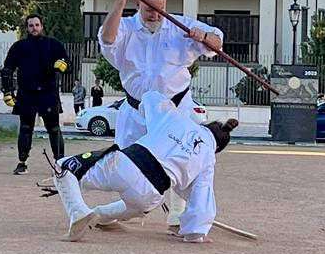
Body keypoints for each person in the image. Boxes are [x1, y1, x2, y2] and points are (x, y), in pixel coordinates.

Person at [98, 0, 223, 228]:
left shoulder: (180, 26)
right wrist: (119, 0)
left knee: (183, 160)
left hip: (176, 108)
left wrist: (204, 36)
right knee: (128, 163)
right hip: (136, 110)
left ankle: (179, 215)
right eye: (149, 9)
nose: (155, 14)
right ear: (138, 3)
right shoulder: (126, 27)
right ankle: (121, 212)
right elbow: (108, 40)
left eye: (159, 9)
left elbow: (217, 43)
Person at [52, 89, 238, 243]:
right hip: (150, 195)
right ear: (217, 148)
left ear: (207, 124)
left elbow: (152, 97)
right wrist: (194, 233)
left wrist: (150, 105)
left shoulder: (178, 119)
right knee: (134, 208)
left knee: (63, 168)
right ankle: (99, 216)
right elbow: (201, 198)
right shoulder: (208, 160)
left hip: (127, 164)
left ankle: (79, 212)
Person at [1, 14, 69, 176]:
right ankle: (22, 163)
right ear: (27, 28)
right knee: (25, 129)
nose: (34, 28)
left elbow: (69, 64)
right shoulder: (19, 47)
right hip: (27, 94)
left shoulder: (54, 45)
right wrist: (8, 91)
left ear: (42, 26)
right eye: (31, 25)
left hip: (48, 93)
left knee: (54, 129)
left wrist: (63, 65)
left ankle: (60, 164)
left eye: (37, 25)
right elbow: (7, 69)